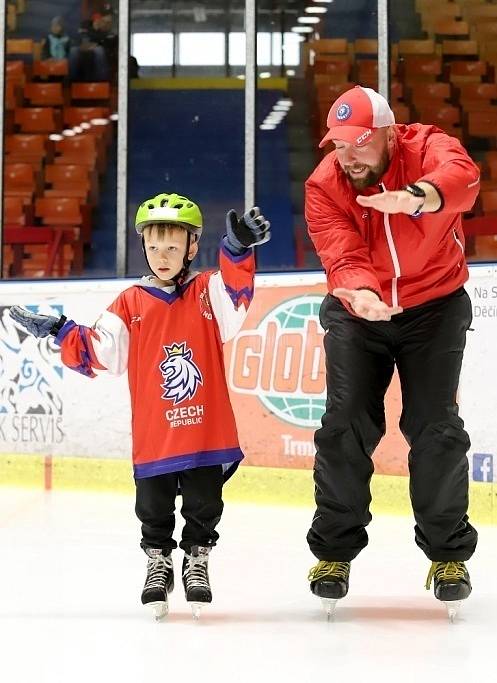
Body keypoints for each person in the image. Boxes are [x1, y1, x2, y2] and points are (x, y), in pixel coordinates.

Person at [9, 192, 271, 620]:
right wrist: (59, 330)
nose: (162, 256)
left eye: (173, 246)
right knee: (153, 507)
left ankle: (196, 558)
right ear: (143, 248)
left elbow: (237, 295)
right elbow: (100, 353)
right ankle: (159, 561)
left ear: (191, 247)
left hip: (207, 430)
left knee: (205, 503)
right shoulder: (129, 303)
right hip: (156, 435)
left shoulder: (208, 292)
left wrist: (236, 250)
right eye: (153, 247)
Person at [304, 85, 479, 618]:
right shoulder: (324, 184)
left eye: (357, 144)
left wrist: (419, 196)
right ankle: (333, 553)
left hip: (436, 305)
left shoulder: (427, 146)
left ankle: (449, 555)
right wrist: (360, 291)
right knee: (344, 426)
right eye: (337, 145)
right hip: (359, 308)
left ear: (385, 132)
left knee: (435, 427)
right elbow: (341, 251)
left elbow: (464, 179)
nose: (347, 157)